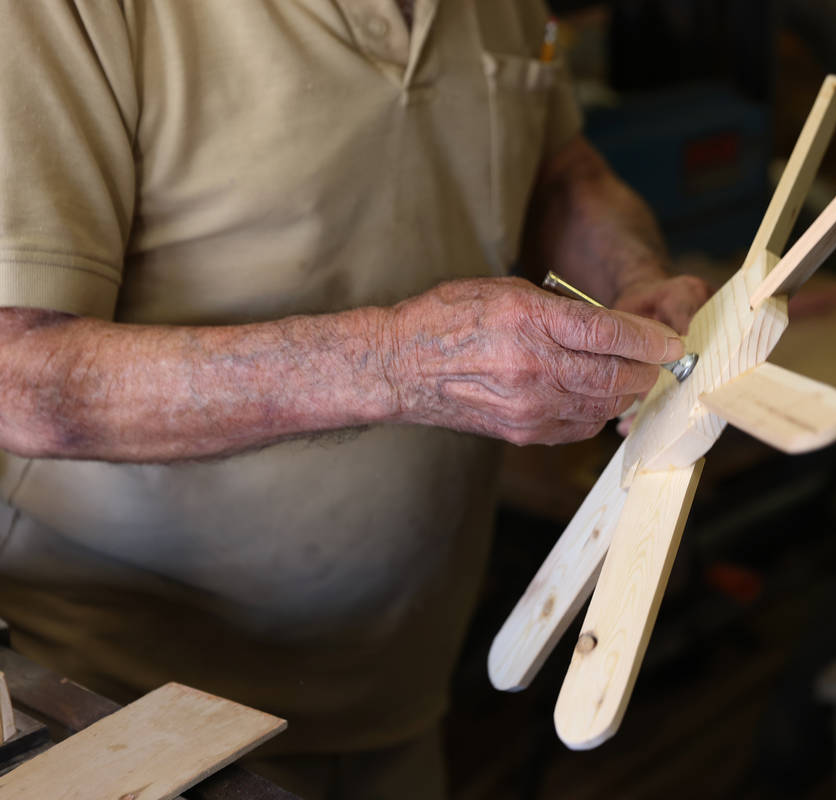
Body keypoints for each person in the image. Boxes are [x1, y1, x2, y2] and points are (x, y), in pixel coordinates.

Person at [0, 1, 708, 797]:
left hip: (401, 698)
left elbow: (561, 171)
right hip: (122, 713)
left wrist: (631, 279)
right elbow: (22, 378)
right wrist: (395, 362)